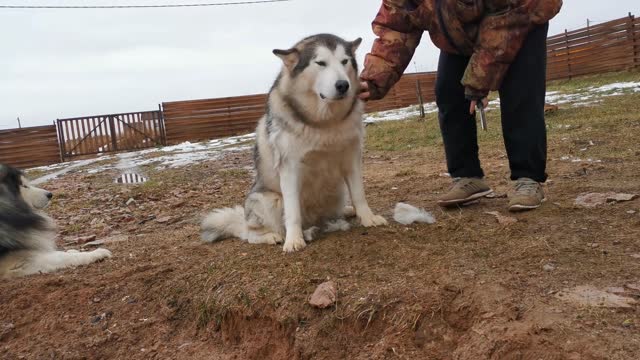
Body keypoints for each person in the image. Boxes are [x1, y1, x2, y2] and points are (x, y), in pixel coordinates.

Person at [359, 0, 562, 212]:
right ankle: (467, 176)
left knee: (520, 94)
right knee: (449, 92)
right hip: (460, 32)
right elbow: (396, 26)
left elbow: (505, 21)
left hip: (522, 16)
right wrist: (373, 79)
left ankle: (527, 177)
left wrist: (479, 80)